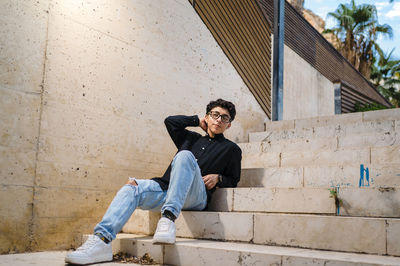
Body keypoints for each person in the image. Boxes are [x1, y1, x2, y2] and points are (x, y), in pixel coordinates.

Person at [65, 99, 242, 265]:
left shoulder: (232, 150)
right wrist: (196, 120)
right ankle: (101, 242)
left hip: (196, 196)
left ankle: (168, 219)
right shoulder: (190, 138)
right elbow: (170, 121)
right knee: (131, 187)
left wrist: (218, 178)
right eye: (215, 114)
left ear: (229, 124)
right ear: (207, 117)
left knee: (185, 156)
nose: (218, 120)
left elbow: (233, 180)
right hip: (166, 188)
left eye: (224, 117)